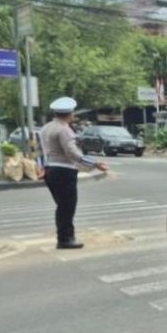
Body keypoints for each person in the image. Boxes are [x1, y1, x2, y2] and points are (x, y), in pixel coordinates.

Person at [40, 96, 108, 249]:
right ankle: (65, 239)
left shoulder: (46, 128)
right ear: (70, 114)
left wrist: (43, 167)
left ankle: (64, 237)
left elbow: (42, 150)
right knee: (67, 207)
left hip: (50, 170)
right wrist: (94, 163)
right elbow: (73, 154)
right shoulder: (64, 130)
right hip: (64, 171)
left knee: (62, 206)